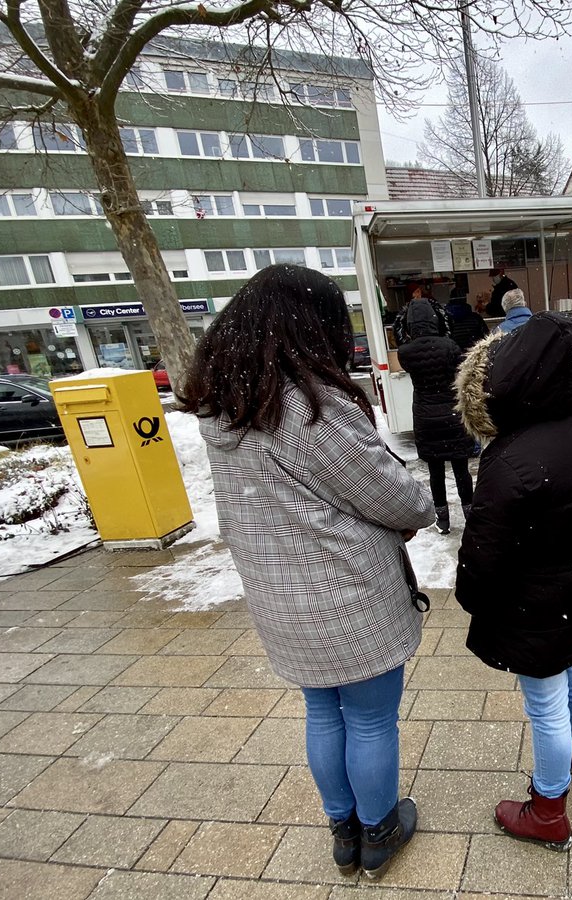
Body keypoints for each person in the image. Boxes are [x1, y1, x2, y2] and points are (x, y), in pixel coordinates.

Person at [180, 265, 435, 880]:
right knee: (371, 716)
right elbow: (395, 497)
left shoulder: (227, 405)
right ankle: (379, 830)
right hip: (344, 596)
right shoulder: (307, 406)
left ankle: (342, 830)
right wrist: (414, 505)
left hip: (279, 597)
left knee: (322, 714)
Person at [453, 313, 572, 852]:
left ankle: (547, 810)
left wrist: (470, 598)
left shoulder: (510, 457)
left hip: (531, 599)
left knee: (545, 703)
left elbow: (484, 549)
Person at [397, 296, 477, 534]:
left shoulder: (405, 352)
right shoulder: (449, 346)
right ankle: (470, 513)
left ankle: (442, 520)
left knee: (436, 472)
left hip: (425, 417)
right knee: (461, 469)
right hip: (452, 414)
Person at [446, 285, 489, 353]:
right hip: (473, 356)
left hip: (454, 357)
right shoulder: (475, 318)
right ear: (465, 299)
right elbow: (486, 338)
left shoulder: (446, 319)